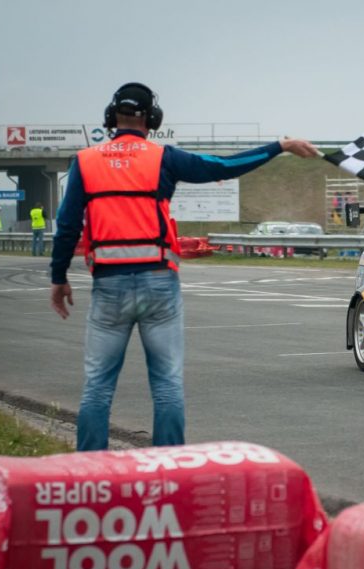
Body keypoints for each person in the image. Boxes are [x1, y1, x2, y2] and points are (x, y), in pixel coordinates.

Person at [49, 82, 320, 451]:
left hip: (109, 286)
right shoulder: (163, 158)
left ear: (112, 118)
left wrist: (58, 277)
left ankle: (89, 470)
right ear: (153, 119)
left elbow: (67, 225)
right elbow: (224, 166)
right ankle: (168, 468)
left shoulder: (84, 161)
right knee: (166, 384)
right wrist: (279, 146)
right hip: (159, 282)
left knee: (98, 384)